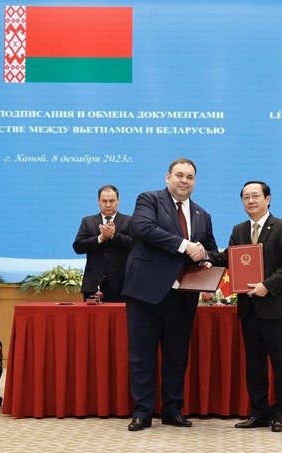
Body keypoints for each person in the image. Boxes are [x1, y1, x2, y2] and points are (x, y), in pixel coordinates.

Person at [122, 158, 218, 431]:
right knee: (142, 355)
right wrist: (186, 246)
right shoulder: (149, 200)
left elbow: (210, 248)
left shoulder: (203, 214)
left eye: (190, 176)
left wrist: (207, 259)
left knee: (177, 357)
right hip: (145, 292)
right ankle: (142, 411)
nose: (184, 180)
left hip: (182, 295)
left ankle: (172, 409)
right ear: (168, 177)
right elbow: (143, 229)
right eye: (179, 175)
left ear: (195, 181)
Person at [207, 181, 282, 432]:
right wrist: (204, 257)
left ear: (268, 199)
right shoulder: (239, 229)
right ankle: (259, 413)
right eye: (245, 197)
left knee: (281, 366)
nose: (250, 201)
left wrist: (267, 285)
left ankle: (280, 415)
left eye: (255, 196)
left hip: (276, 309)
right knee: (255, 367)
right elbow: (228, 257)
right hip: (249, 310)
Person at [73, 185, 132, 302]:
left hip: (121, 284)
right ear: (98, 201)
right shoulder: (88, 221)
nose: (108, 205)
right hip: (93, 284)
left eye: (112, 201)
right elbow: (78, 247)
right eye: (104, 201)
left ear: (118, 201)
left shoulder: (129, 221)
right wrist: (100, 238)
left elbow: (134, 245)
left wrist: (113, 236)